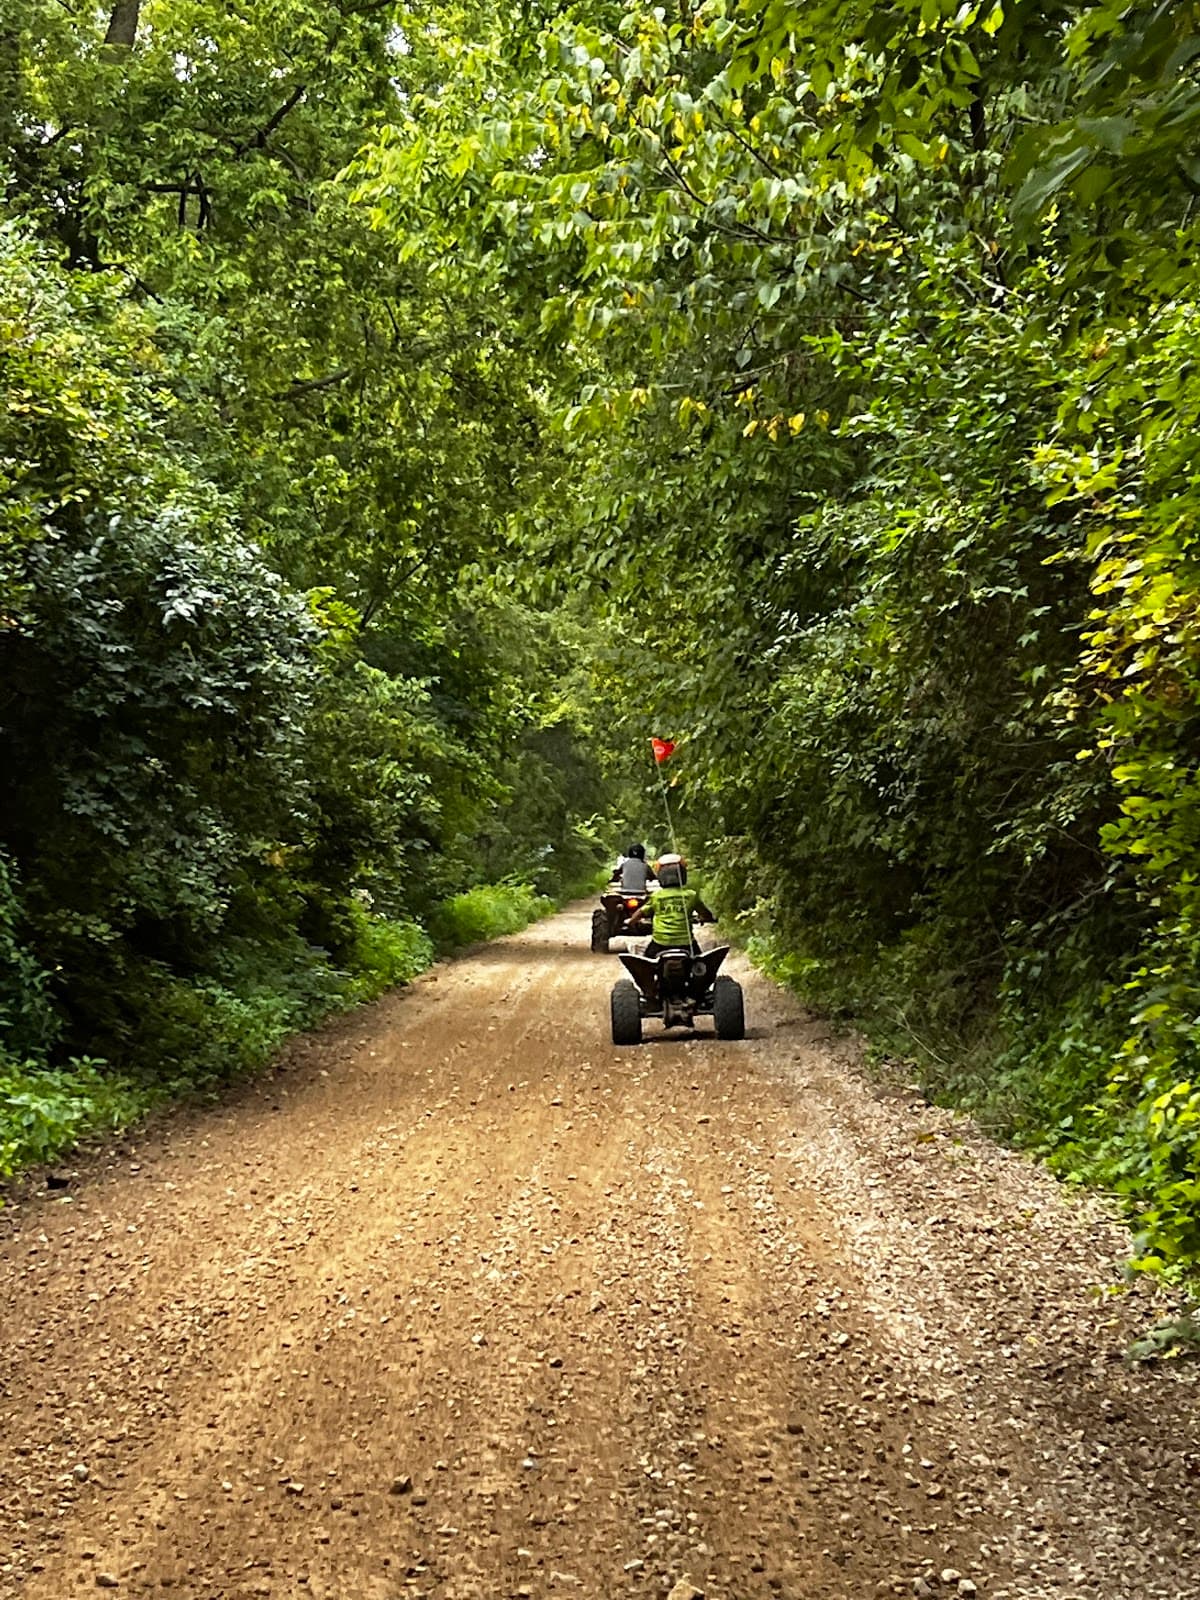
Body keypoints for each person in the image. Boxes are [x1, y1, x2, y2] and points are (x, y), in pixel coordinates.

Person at [628, 854, 715, 956]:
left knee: (646, 966)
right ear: (682, 874)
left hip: (660, 943)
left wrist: (631, 923)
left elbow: (640, 913)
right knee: (701, 965)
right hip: (686, 944)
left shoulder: (656, 896)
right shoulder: (691, 895)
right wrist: (705, 918)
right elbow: (706, 914)